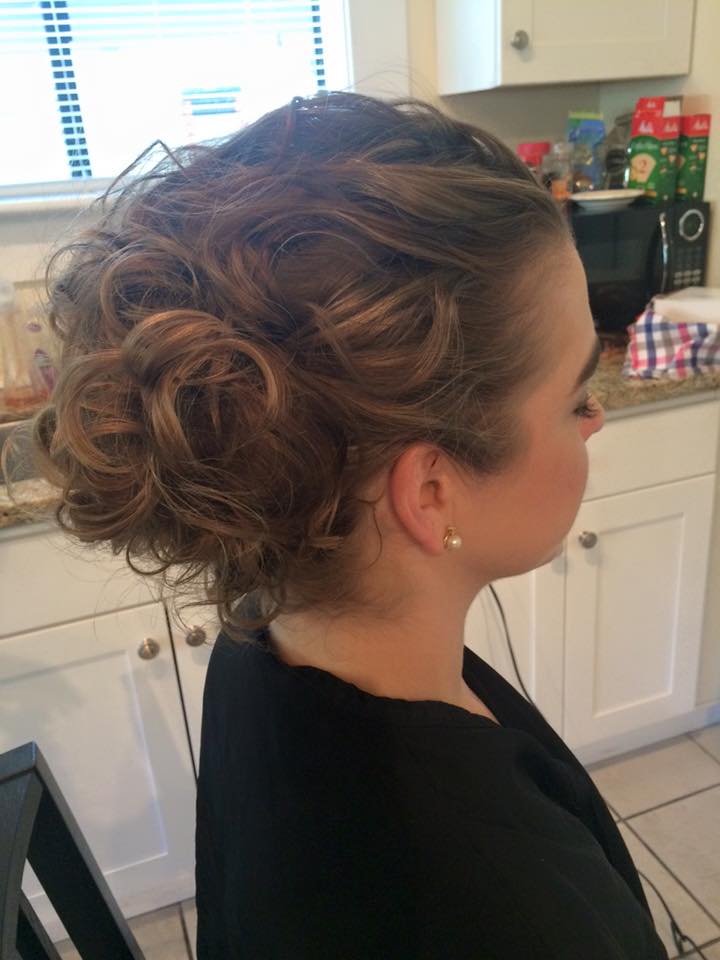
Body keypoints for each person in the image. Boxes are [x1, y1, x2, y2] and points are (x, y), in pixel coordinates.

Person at [32, 91, 669, 959]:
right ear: (431, 492)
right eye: (575, 397)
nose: (595, 420)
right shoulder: (508, 912)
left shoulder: (261, 640)